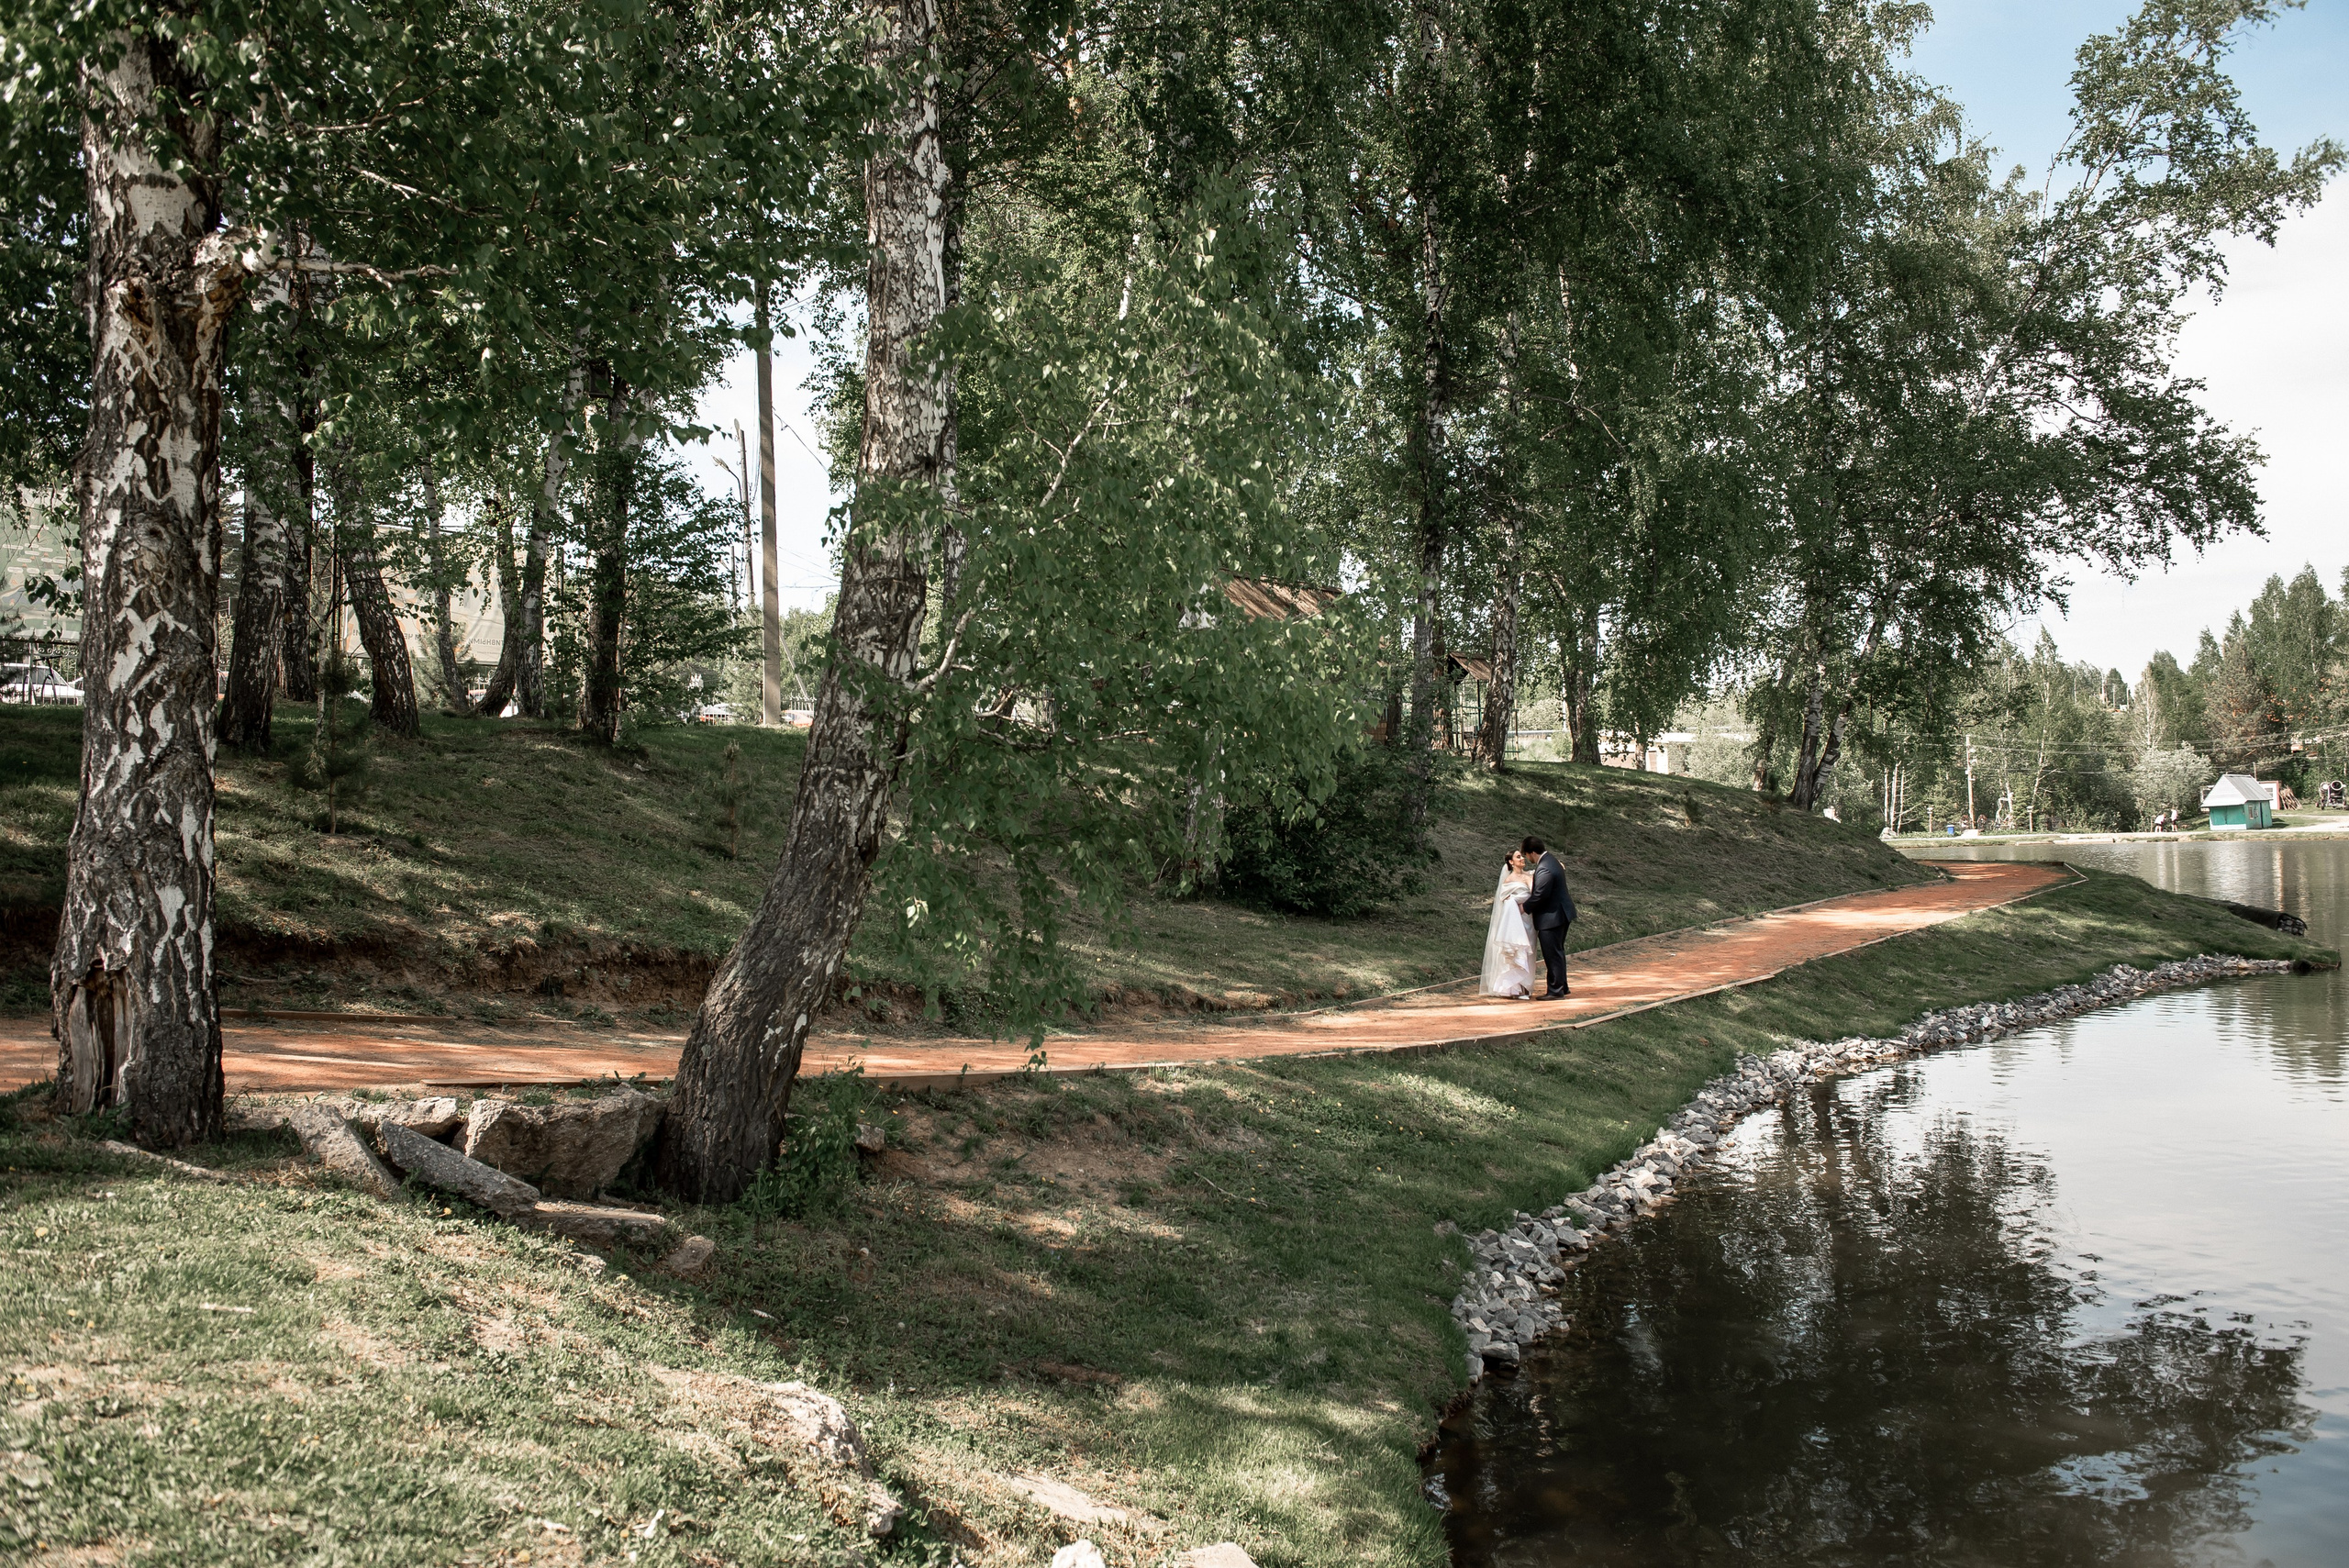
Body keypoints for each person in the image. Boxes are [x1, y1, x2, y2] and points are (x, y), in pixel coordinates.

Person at [1521, 835, 1577, 999]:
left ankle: (1555, 990)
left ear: (1532, 853)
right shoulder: (1552, 860)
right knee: (1557, 952)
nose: (1526, 857)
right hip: (1560, 914)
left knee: (1552, 954)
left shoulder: (1545, 867)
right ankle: (1562, 986)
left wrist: (1524, 907)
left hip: (1552, 917)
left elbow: (1540, 894)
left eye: (1526, 854)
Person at [1479, 850, 1537, 998]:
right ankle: (1514, 988)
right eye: (1518, 857)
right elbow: (1505, 901)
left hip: (1528, 919)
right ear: (1511, 862)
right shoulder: (1509, 881)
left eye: (1522, 856)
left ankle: (1526, 986)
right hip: (1515, 921)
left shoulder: (1530, 875)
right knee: (1516, 950)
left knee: (1529, 951)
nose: (1522, 858)